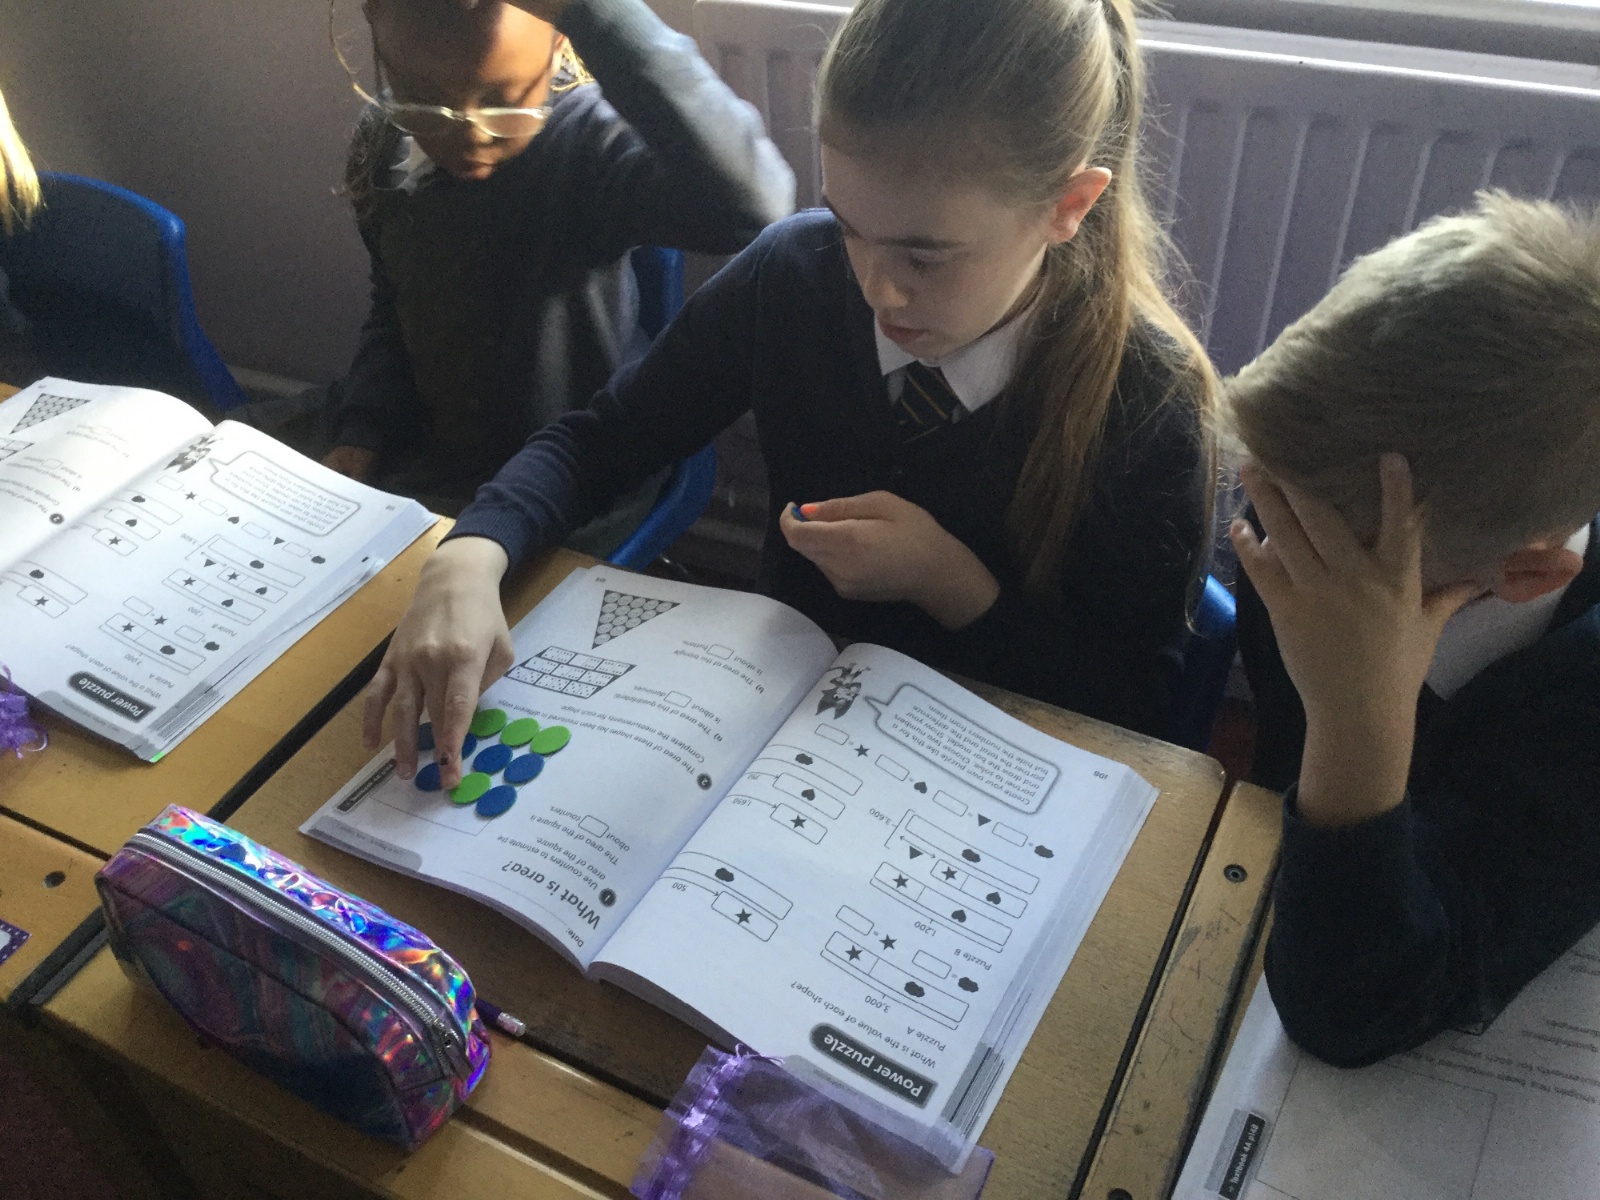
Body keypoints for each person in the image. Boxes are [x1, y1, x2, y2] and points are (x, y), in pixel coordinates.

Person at [367, 0, 1219, 787]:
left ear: (1068, 205)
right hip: (775, 738)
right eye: (849, 226)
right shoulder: (796, 274)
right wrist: (473, 552)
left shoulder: (1150, 402)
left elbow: (1133, 707)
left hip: (981, 777)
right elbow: (603, 438)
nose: (878, 289)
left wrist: (949, 582)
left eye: (925, 257)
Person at [1228, 191, 1600, 1068]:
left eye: (1315, 545)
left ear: (1526, 575)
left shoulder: (1580, 715)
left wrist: (1358, 723)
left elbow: (1354, 1013)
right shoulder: (1303, 527)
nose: (1272, 549)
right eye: (1266, 502)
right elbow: (1280, 769)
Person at [240, 0, 793, 537]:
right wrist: (364, 426)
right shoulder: (384, 141)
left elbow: (755, 208)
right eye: (423, 101)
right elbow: (393, 307)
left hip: (568, 477)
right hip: (427, 447)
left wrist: (590, 9)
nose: (470, 136)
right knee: (230, 454)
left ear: (559, 40)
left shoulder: (587, 145)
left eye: (502, 102)